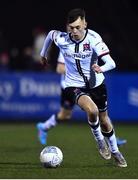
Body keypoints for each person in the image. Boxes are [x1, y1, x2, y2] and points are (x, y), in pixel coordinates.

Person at [38, 8, 127, 167]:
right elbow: (51, 34)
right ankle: (100, 141)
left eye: (78, 27)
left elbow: (111, 63)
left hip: (97, 85)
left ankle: (115, 151)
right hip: (73, 85)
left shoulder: (93, 39)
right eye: (71, 27)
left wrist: (101, 68)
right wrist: (43, 54)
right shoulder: (63, 39)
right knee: (91, 110)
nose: (74, 31)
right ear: (67, 26)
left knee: (105, 120)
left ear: (85, 24)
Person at [37, 52, 127, 147]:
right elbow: (59, 69)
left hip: (88, 86)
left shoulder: (88, 43)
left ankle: (112, 139)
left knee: (101, 113)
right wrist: (79, 72)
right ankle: (44, 127)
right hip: (70, 87)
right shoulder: (65, 45)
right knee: (65, 115)